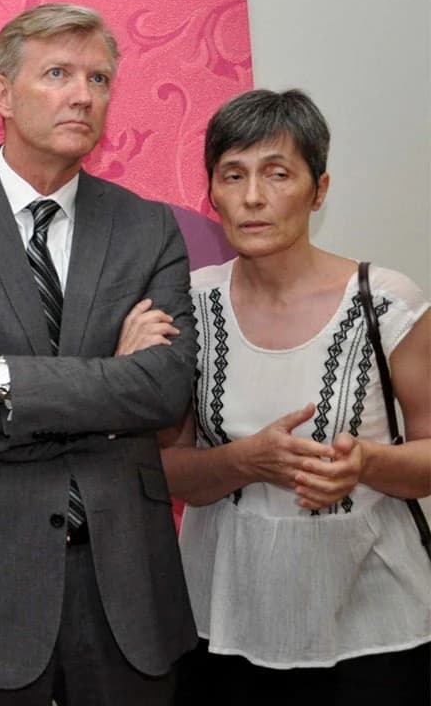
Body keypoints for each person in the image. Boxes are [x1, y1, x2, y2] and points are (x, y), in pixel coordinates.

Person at [0, 2, 197, 705]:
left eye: (99, 78)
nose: (83, 95)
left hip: (126, 585)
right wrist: (112, 387)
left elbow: (164, 393)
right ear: (2, 93)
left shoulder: (149, 227)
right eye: (58, 73)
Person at [164, 88, 431, 705]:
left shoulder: (386, 302)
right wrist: (244, 461)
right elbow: (167, 469)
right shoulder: (187, 306)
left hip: (375, 623)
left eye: (278, 173)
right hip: (222, 621)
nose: (253, 197)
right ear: (212, 193)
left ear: (319, 189)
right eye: (233, 174)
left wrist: (366, 463)